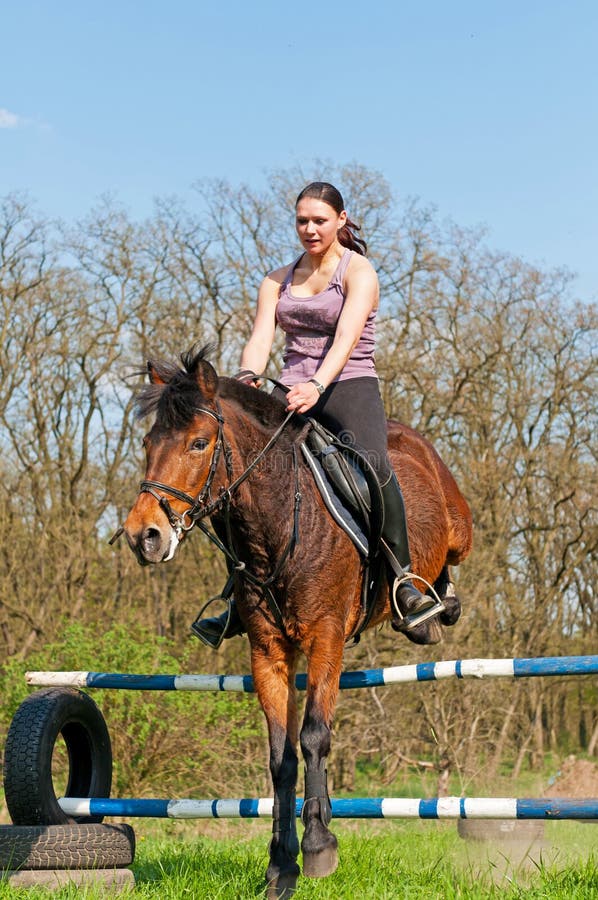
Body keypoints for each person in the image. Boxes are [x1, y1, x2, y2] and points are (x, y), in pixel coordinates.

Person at [193, 182, 442, 648]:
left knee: (373, 465)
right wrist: (248, 374)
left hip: (348, 385)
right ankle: (236, 597)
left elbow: (346, 337)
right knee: (242, 476)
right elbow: (261, 335)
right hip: (289, 390)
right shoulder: (276, 279)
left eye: (319, 221)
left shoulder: (358, 271)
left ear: (341, 221)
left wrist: (318, 385)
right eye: (302, 221)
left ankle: (404, 582)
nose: (310, 229)